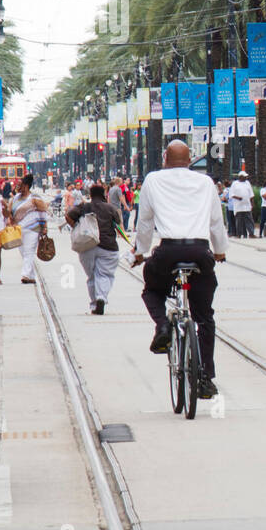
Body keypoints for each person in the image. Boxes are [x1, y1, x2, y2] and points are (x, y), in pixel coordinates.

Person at [132, 141, 229, 399]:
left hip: (168, 251)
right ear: (189, 161)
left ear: (165, 158)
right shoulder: (205, 183)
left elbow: (145, 221)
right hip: (199, 252)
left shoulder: (153, 180)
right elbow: (216, 221)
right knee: (205, 317)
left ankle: (163, 326)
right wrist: (219, 250)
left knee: (152, 290)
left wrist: (140, 251)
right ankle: (206, 376)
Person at [66, 182, 123, 315]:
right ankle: (101, 298)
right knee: (105, 274)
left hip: (87, 245)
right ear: (104, 194)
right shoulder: (110, 208)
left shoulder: (85, 207)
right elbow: (118, 223)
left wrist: (75, 227)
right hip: (108, 246)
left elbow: (69, 216)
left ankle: (94, 305)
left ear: (90, 195)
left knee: (91, 276)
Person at [9, 174, 49, 285]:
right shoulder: (15, 198)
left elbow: (43, 213)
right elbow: (10, 212)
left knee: (29, 251)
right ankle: (31, 276)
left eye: (20, 185)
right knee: (23, 252)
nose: (18, 187)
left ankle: (25, 275)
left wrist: (44, 227)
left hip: (33, 228)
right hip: (18, 229)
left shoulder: (35, 198)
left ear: (26, 186)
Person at [228, 170, 255, 238]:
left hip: (247, 205)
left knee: (249, 220)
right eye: (244, 176)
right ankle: (239, 234)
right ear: (240, 177)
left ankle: (251, 233)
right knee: (239, 221)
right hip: (238, 206)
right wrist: (238, 198)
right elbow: (231, 194)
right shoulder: (235, 184)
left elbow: (251, 194)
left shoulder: (247, 183)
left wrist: (252, 203)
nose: (246, 178)